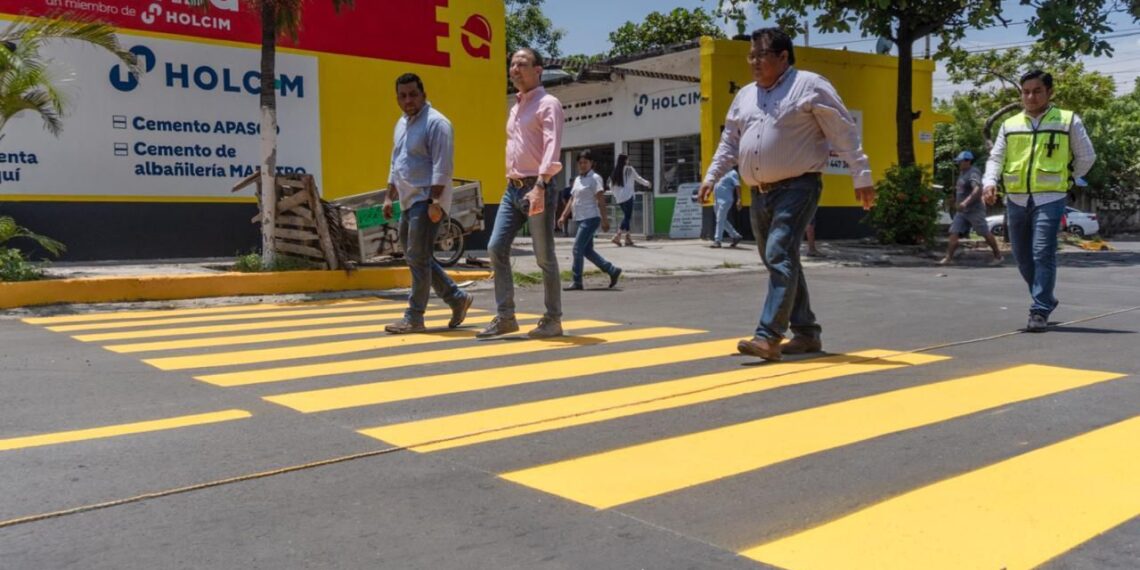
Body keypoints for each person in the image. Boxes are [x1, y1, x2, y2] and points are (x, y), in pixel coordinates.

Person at [698, 27, 875, 361]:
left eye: (760, 55)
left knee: (779, 253)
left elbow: (842, 130)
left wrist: (861, 174)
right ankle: (807, 333)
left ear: (782, 57)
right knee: (780, 259)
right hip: (759, 192)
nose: (753, 62)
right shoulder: (746, 95)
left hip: (799, 185)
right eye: (750, 55)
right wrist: (712, 176)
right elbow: (730, 142)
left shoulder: (809, 85)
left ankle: (768, 336)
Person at [983, 69, 1095, 332]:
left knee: (1042, 252)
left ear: (1049, 92)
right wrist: (989, 181)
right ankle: (1046, 296)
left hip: (1051, 197)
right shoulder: (1010, 125)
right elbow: (997, 157)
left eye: (1037, 91)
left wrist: (1069, 178)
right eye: (1026, 92)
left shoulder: (1067, 121)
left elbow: (1087, 156)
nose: (1031, 97)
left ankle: (1040, 309)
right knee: (1022, 257)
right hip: (1016, 198)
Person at [477, 47, 565, 339]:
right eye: (512, 64)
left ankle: (553, 319)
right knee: (495, 247)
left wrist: (540, 185)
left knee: (544, 257)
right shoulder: (515, 107)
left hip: (537, 187)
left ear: (538, 69)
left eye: (522, 64)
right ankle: (506, 317)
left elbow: (552, 146)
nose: (515, 69)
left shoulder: (548, 103)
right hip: (512, 189)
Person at [382, 74, 474, 334]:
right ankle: (457, 298)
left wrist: (435, 201)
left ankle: (414, 316)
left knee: (418, 257)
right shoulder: (401, 124)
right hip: (408, 201)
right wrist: (389, 196)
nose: (408, 100)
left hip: (427, 199)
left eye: (413, 94)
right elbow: (395, 163)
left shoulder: (436, 123)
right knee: (416, 257)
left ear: (423, 93)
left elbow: (442, 166)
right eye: (403, 96)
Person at [559, 150, 622, 290]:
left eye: (585, 162)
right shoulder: (577, 180)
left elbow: (601, 199)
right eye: (580, 163)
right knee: (587, 251)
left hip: (591, 217)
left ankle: (577, 281)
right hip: (580, 218)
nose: (582, 165)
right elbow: (572, 198)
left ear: (591, 163)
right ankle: (612, 270)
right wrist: (563, 215)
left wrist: (605, 220)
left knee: (577, 249)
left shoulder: (595, 178)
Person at [940, 150, 1003, 266]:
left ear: (968, 161)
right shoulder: (962, 173)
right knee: (954, 231)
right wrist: (955, 200)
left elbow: (977, 189)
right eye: (958, 162)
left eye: (960, 162)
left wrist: (965, 202)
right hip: (962, 211)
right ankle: (948, 258)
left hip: (974, 210)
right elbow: (962, 190)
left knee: (984, 232)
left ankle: (998, 256)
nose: (958, 164)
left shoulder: (973, 173)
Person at [608, 153, 651, 246]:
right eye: (627, 159)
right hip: (628, 196)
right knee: (627, 217)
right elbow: (638, 178)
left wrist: (616, 194)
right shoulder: (630, 169)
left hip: (619, 198)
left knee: (626, 216)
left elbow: (610, 185)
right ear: (625, 160)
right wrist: (647, 183)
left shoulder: (615, 171)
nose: (628, 161)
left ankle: (627, 237)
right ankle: (617, 235)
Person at [711, 169, 743, 248]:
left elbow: (737, 186)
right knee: (721, 220)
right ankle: (736, 236)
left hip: (726, 200)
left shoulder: (732, 173)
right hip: (717, 200)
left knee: (720, 219)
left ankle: (717, 241)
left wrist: (739, 199)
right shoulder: (719, 171)